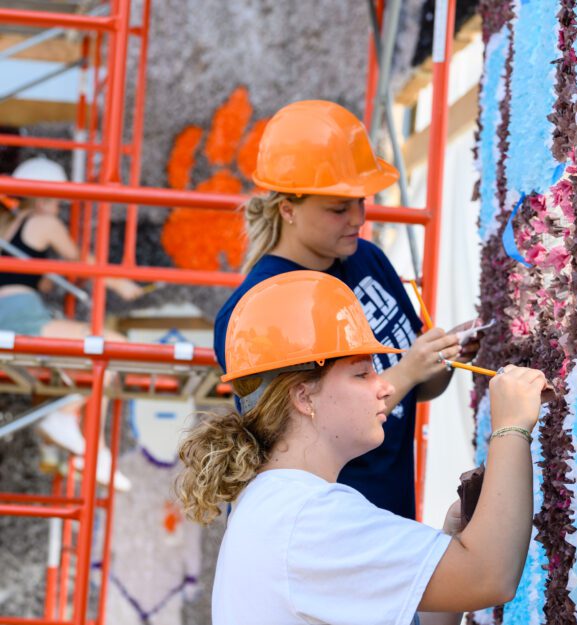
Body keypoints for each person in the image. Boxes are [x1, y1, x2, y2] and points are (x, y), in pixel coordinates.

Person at [180, 271, 547, 625]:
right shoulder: (309, 517)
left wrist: (451, 541)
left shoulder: (278, 504)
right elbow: (488, 577)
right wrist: (511, 427)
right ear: (304, 396)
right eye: (362, 373)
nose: (384, 387)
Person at [214, 100, 479, 519]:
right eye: (338, 208)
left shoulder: (366, 258)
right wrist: (409, 368)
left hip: (388, 517)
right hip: (331, 534)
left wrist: (441, 358)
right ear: (288, 209)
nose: (357, 217)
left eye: (360, 200)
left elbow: (414, 388)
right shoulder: (260, 308)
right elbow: (298, 441)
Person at [0, 156, 143, 489]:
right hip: (20, 313)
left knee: (99, 356)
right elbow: (81, 260)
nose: (59, 206)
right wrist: (120, 283)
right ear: (47, 195)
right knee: (114, 346)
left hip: (12, 311)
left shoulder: (10, 224)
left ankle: (92, 446)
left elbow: (37, 278)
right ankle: (69, 423)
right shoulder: (43, 222)